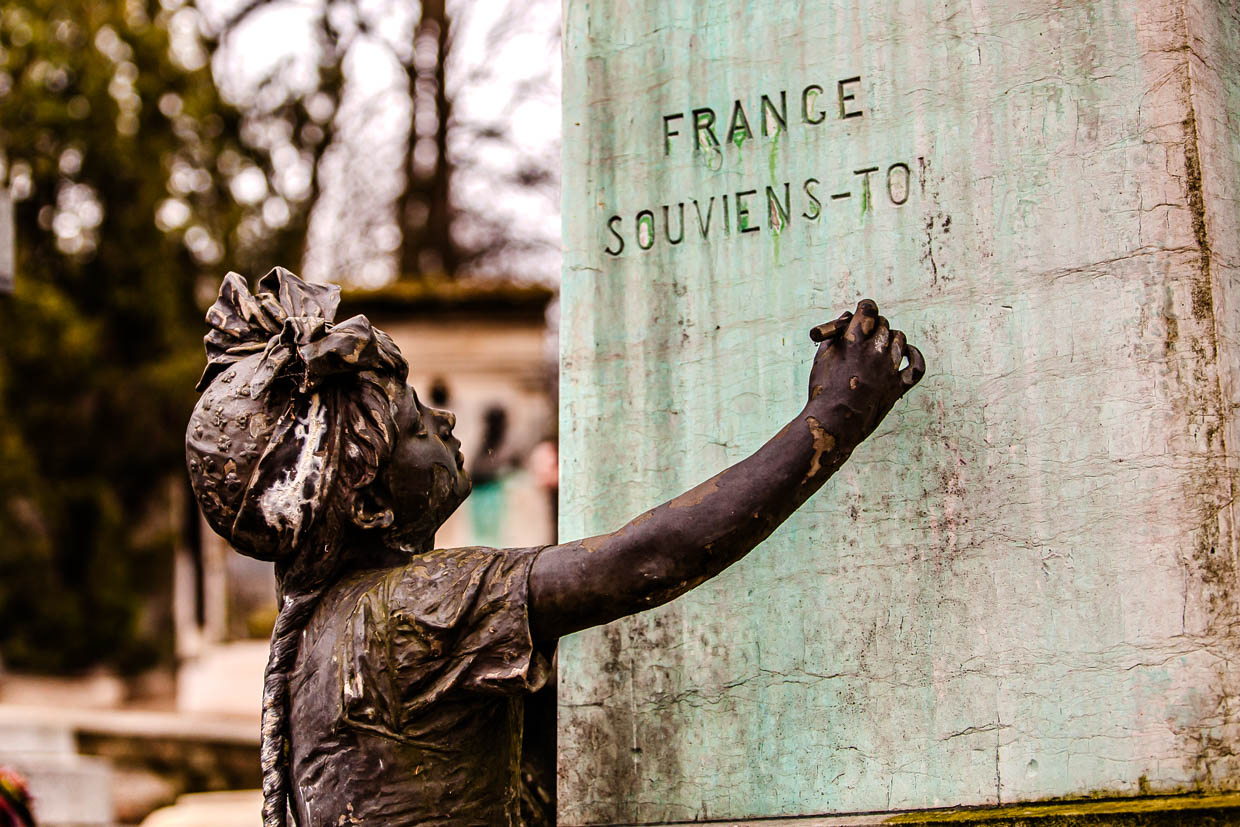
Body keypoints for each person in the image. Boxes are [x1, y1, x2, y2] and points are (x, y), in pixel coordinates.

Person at [185, 267, 925, 827]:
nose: (445, 420)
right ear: (370, 500)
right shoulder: (413, 610)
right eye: (415, 425)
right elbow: (648, 558)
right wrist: (831, 420)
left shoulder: (327, 623)